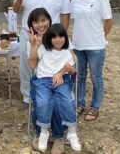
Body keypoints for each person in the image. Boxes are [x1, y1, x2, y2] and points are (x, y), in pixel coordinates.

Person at [12, 0, 71, 110]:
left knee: (50, 64)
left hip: (52, 37)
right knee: (27, 65)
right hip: (29, 34)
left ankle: (51, 92)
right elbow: (16, 9)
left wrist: (62, 35)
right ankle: (27, 97)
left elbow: (65, 14)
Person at [28, 23, 81, 152]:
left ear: (66, 37)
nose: (58, 40)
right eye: (54, 37)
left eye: (61, 36)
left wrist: (64, 72)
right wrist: (35, 45)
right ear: (49, 38)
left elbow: (71, 69)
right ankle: (44, 132)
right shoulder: (43, 48)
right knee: (43, 102)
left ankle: (71, 132)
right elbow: (31, 62)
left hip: (61, 81)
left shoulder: (67, 52)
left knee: (66, 101)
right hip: (43, 81)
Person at [71, 0, 113, 121]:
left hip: (96, 47)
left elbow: (109, 21)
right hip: (78, 46)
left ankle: (95, 107)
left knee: (96, 77)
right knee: (79, 76)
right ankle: (79, 103)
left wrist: (100, 36)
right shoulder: (74, 0)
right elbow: (76, 22)